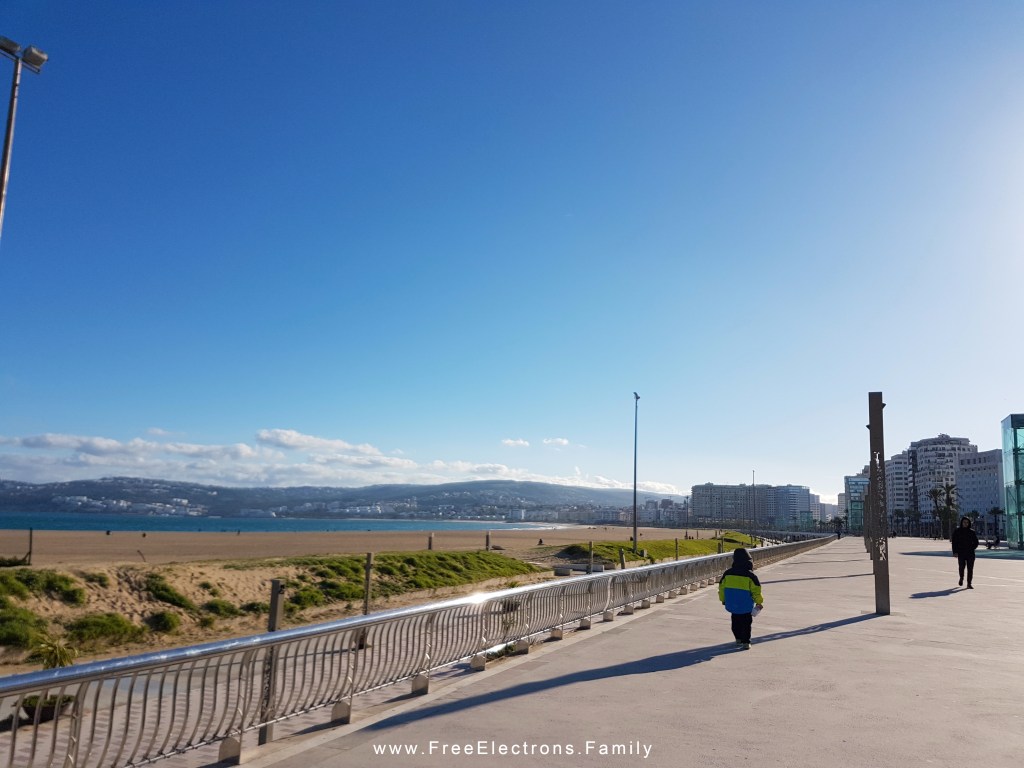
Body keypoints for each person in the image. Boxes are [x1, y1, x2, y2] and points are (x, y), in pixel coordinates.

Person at [719, 548, 763, 650]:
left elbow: (721, 588)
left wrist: (723, 600)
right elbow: (756, 591)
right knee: (746, 624)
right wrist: (759, 602)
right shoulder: (751, 576)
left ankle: (738, 638)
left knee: (735, 622)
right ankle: (746, 642)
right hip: (746, 605)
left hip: (732, 604)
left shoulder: (728, 574)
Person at [951, 516, 979, 589]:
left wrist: (972, 547)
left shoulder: (972, 532)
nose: (965, 524)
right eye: (964, 522)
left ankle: (969, 583)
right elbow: (954, 542)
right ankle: (961, 578)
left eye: (967, 522)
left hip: (970, 553)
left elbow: (976, 542)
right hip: (961, 553)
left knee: (970, 569)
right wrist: (955, 552)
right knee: (961, 567)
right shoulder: (957, 531)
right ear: (961, 523)